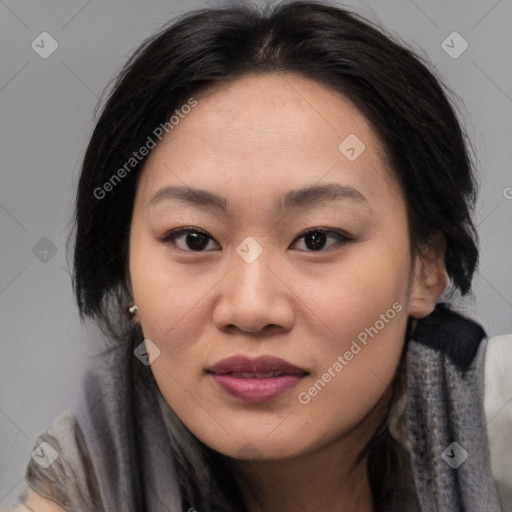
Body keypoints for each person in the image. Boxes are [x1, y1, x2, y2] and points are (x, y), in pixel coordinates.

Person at [8, 1, 512, 511]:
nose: (251, 309)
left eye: (317, 239)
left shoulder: (495, 426)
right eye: (194, 239)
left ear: (425, 267)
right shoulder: (91, 482)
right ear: (127, 271)